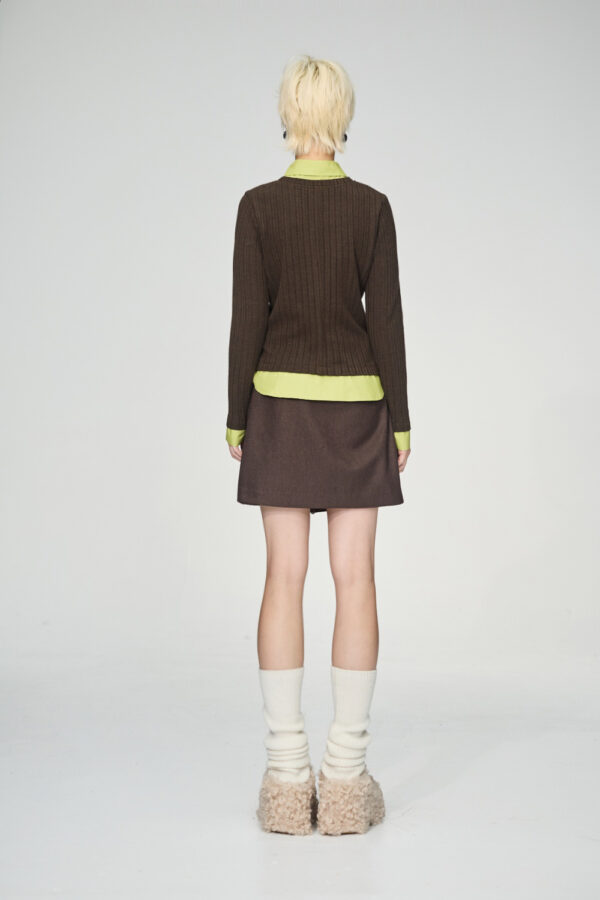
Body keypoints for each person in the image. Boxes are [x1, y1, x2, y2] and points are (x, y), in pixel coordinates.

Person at [225, 54, 411, 836]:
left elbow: (248, 317)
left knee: (283, 577)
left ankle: (284, 779)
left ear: (287, 114)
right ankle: (343, 781)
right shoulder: (371, 207)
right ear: (343, 115)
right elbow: (387, 321)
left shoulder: (258, 208)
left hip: (279, 407)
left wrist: (237, 417)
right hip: (357, 409)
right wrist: (400, 421)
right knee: (356, 579)